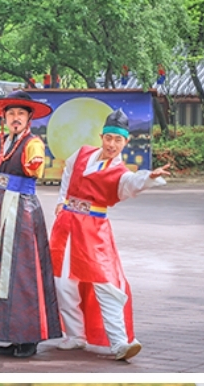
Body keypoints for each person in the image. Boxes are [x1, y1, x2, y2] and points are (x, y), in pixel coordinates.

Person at [51, 109, 170, 362]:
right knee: (63, 282)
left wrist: (149, 178)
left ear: (126, 142)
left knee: (105, 284)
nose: (112, 144)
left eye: (118, 140)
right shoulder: (82, 154)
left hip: (94, 231)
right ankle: (74, 335)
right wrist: (62, 201)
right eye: (109, 138)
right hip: (67, 226)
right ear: (101, 137)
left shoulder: (120, 173)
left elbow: (133, 184)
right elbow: (67, 174)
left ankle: (119, 343)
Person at [0, 79, 63, 358]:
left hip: (22, 211)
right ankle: (8, 333)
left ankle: (29, 337)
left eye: (21, 114)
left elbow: (36, 166)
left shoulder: (33, 143)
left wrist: (34, 164)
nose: (15, 118)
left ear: (29, 118)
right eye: (11, 114)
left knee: (23, 273)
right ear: (4, 118)